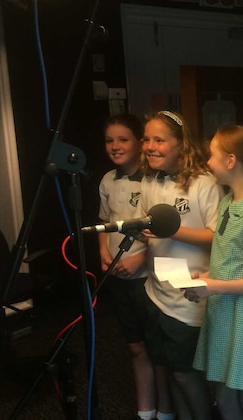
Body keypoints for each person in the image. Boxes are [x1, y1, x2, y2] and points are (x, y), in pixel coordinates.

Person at [184, 125, 243, 420]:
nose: (208, 162)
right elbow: (226, 262)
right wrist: (206, 281)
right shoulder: (227, 201)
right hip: (223, 311)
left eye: (212, 155)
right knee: (224, 396)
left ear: (231, 160)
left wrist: (213, 286)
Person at [140, 110, 223, 420]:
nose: (150, 146)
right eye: (146, 139)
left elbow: (218, 237)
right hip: (155, 292)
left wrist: (173, 230)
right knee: (171, 372)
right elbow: (145, 227)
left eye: (160, 139)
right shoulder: (150, 180)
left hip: (187, 298)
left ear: (181, 144)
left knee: (186, 374)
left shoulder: (204, 183)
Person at [97, 113, 159, 420]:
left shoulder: (152, 180)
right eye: (110, 140)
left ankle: (167, 408)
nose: (115, 146)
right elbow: (104, 223)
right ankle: (144, 410)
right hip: (117, 275)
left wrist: (141, 257)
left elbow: (162, 230)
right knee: (134, 345)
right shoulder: (108, 180)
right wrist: (103, 254)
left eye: (123, 139)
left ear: (138, 142)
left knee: (156, 347)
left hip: (146, 277)